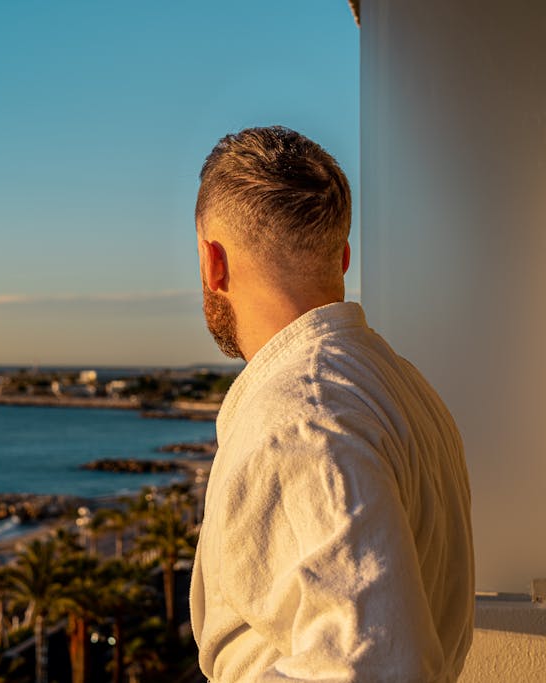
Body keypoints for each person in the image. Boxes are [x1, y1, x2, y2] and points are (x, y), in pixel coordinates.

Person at [188, 126, 474, 682]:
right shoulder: (397, 384)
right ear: (343, 258)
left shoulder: (302, 417)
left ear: (212, 262)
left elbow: (377, 665)